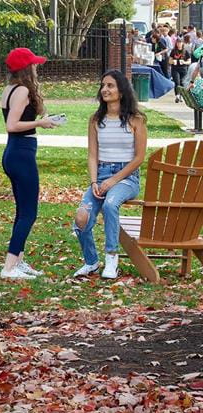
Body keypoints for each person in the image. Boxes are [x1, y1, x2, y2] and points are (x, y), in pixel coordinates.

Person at [75, 71, 146, 279]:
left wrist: (113, 180)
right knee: (81, 217)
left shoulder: (136, 120)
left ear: (121, 91)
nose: (104, 89)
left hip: (127, 178)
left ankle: (111, 260)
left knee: (110, 204)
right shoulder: (96, 120)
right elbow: (92, 155)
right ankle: (91, 262)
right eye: (103, 85)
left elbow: (139, 158)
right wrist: (94, 181)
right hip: (101, 174)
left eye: (110, 86)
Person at [0, 48, 59, 280]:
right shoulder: (22, 90)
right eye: (33, 64)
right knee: (29, 213)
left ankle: (18, 261)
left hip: (15, 152)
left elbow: (27, 115)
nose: (36, 67)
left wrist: (42, 117)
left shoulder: (12, 89)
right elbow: (12, 125)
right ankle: (9, 267)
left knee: (22, 211)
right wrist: (40, 123)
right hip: (21, 153)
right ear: (26, 68)